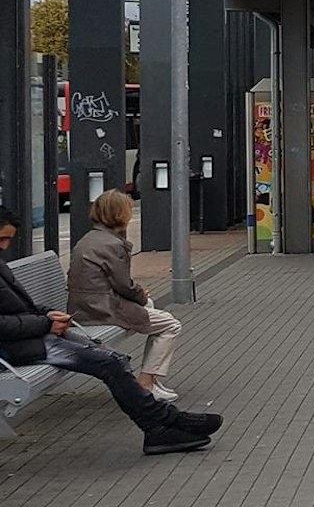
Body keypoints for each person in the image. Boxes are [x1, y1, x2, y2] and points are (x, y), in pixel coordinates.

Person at [0, 206, 221, 455]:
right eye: (2, 239)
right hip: (15, 349)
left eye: (8, 239)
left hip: (31, 337)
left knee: (111, 359)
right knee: (109, 363)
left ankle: (165, 424)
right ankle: (163, 426)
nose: (5, 246)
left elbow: (22, 306)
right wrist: (45, 323)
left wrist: (47, 313)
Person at [67, 190, 185, 402]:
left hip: (85, 305)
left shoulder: (89, 239)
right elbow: (124, 285)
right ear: (121, 214)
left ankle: (151, 380)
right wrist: (141, 295)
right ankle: (146, 383)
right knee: (170, 324)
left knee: (149, 307)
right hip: (102, 308)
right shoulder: (112, 244)